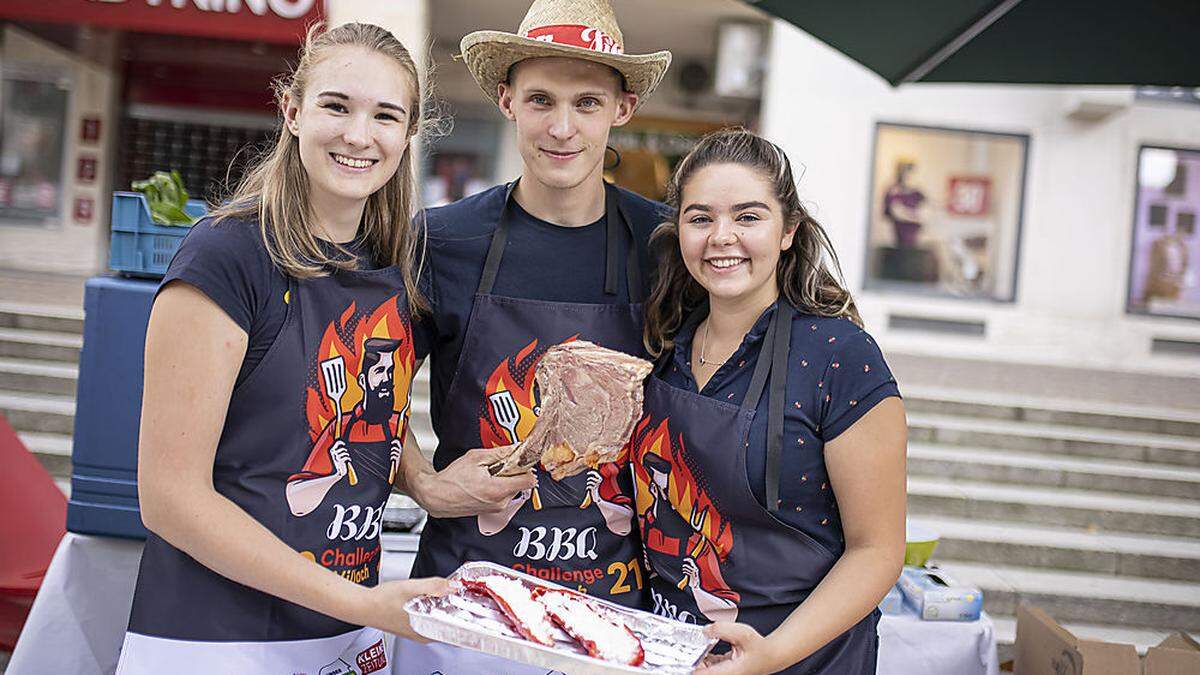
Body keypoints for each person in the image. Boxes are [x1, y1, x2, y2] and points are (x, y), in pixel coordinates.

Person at [115, 23, 447, 675]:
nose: (359, 134)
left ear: (407, 135)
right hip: (217, 640)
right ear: (292, 111)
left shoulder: (393, 266)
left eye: (385, 115)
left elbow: (366, 402)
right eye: (336, 106)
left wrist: (426, 480)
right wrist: (362, 600)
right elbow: (170, 498)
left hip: (344, 641)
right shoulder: (227, 254)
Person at [394, 0, 671, 671]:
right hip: (465, 604)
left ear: (623, 109)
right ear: (507, 100)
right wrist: (424, 483)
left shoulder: (664, 247)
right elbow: (364, 392)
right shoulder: (443, 239)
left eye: (587, 102)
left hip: (612, 614)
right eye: (541, 99)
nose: (563, 127)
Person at [633, 129, 907, 674]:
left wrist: (770, 655)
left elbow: (876, 551)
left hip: (800, 658)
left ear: (788, 231)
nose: (722, 237)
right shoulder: (664, 341)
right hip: (670, 651)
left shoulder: (839, 356)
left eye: (749, 217)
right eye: (701, 217)